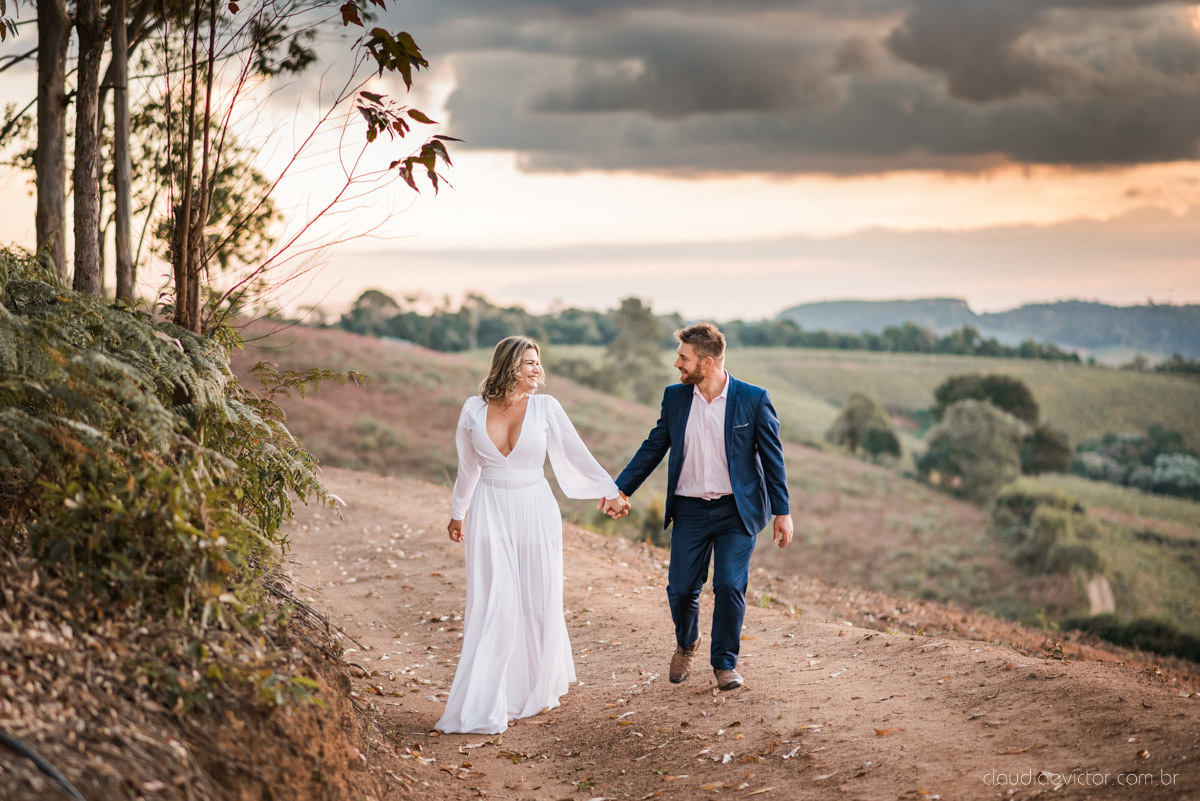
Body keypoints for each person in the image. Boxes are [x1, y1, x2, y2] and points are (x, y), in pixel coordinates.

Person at [437, 336, 629, 735]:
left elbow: (576, 454)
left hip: (536, 510)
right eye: (528, 362)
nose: (537, 369)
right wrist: (459, 512)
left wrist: (609, 490)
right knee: (494, 601)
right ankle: (491, 696)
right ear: (508, 365)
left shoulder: (546, 407)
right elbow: (467, 467)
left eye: (538, 362)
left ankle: (534, 688)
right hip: (490, 510)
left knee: (538, 599)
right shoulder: (473, 409)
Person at [609, 322, 792, 691]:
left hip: (736, 512)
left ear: (706, 363)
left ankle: (725, 664)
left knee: (729, 584)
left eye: (683, 358)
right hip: (689, 510)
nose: (677, 364)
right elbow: (654, 446)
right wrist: (620, 489)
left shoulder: (753, 399)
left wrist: (781, 511)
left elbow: (773, 458)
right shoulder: (675, 398)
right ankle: (686, 642)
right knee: (680, 589)